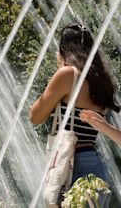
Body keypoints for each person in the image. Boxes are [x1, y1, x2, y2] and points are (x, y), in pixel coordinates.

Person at [30, 23, 120, 207]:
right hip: (95, 170)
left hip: (69, 165)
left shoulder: (67, 75)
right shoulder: (102, 84)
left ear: (64, 49)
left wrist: (59, 69)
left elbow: (35, 116)